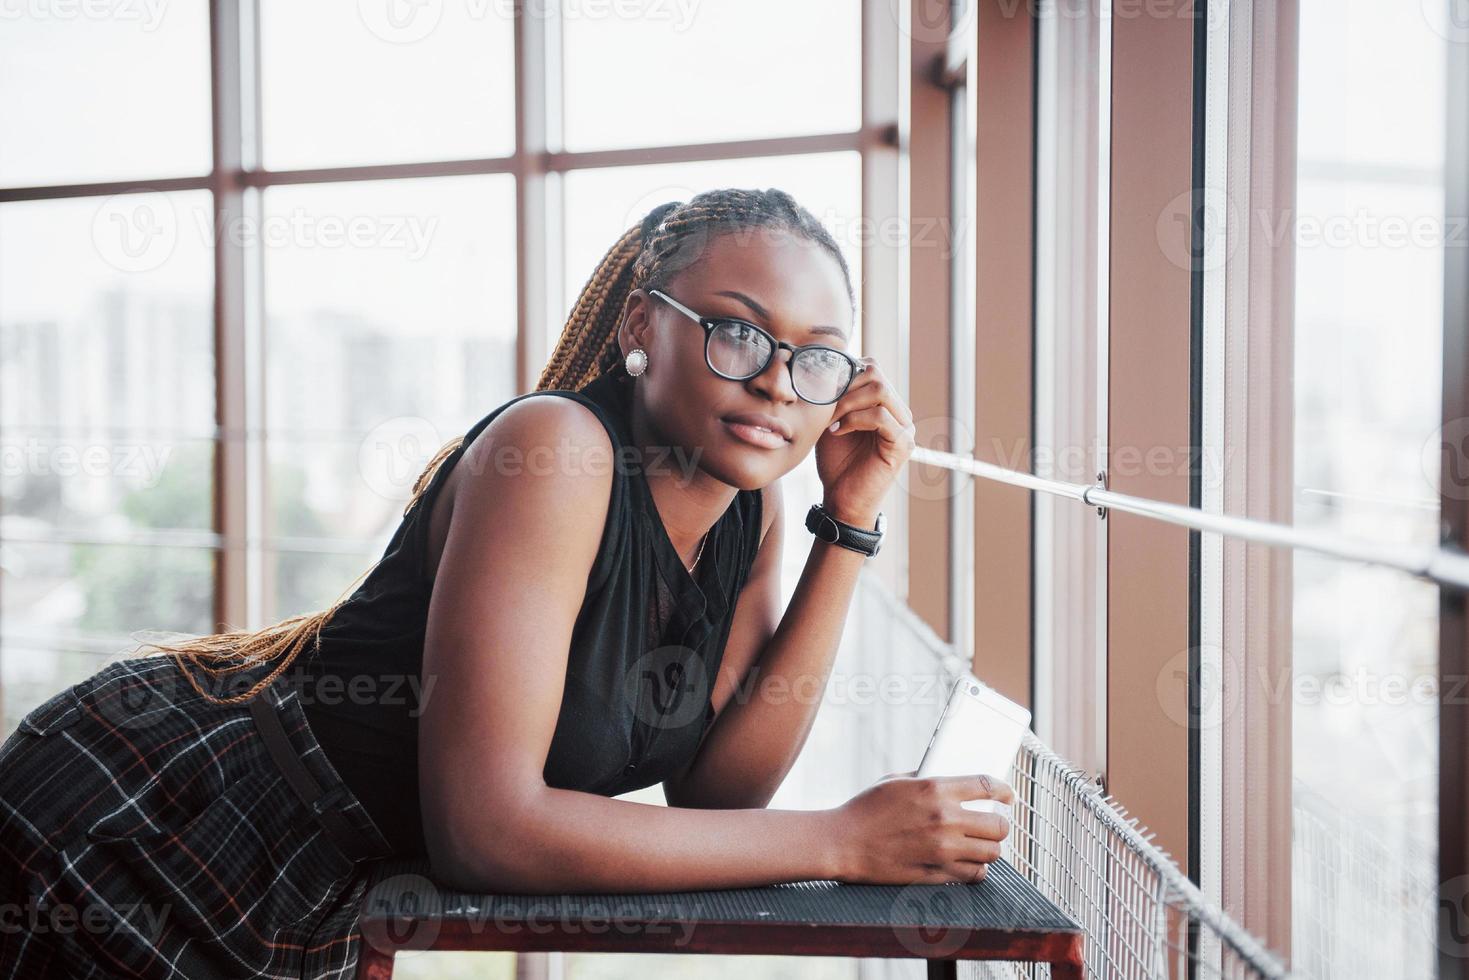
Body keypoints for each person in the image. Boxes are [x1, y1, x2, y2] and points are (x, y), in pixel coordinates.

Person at [0, 187, 1014, 979]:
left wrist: (848, 523)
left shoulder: (744, 511)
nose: (772, 381)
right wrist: (843, 837)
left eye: (816, 358)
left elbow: (718, 787)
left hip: (319, 879)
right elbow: (488, 830)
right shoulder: (556, 452)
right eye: (738, 331)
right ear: (637, 329)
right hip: (165, 821)